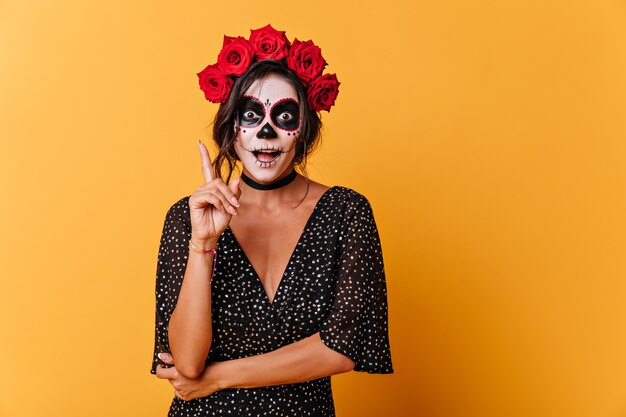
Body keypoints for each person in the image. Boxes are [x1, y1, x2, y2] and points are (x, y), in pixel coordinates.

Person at [150, 24, 393, 416]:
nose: (266, 132)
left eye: (283, 115)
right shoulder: (187, 217)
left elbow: (342, 348)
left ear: (304, 129)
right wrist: (203, 245)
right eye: (251, 115)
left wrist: (220, 377)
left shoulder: (346, 212)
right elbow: (187, 362)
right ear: (232, 127)